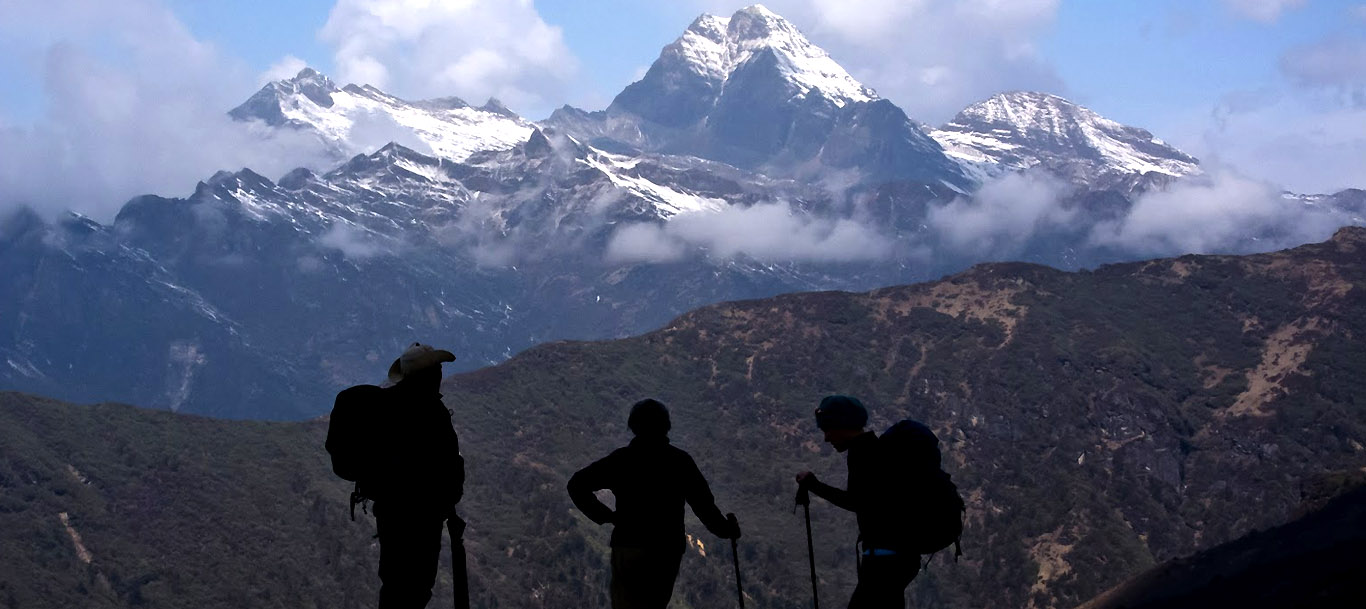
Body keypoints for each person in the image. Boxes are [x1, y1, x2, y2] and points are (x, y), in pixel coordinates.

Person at [567, 399, 741, 609]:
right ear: (665, 426)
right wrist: (727, 529)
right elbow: (705, 507)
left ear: (633, 426)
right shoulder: (680, 461)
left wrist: (606, 516)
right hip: (665, 550)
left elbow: (577, 485)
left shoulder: (621, 460)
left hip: (628, 544)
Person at [796, 395, 918, 609]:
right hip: (900, 558)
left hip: (883, 562)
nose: (826, 438)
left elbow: (856, 502)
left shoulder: (862, 453)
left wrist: (814, 485)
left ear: (842, 425)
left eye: (828, 429)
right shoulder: (876, 448)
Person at [368, 342, 465, 609]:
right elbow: (449, 465)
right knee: (416, 588)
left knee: (395, 586)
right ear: (431, 373)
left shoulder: (386, 407)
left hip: (390, 515)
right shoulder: (431, 411)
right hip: (422, 520)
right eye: (438, 368)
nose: (441, 373)